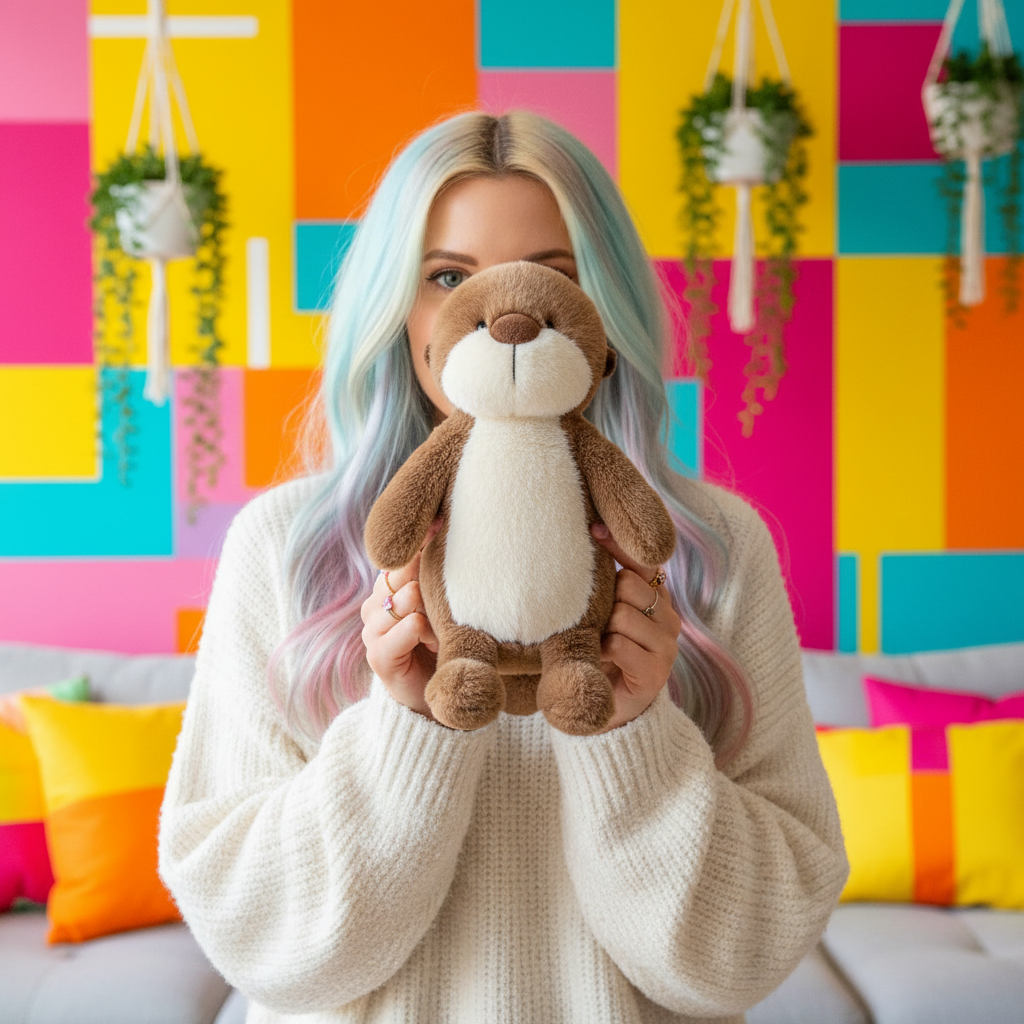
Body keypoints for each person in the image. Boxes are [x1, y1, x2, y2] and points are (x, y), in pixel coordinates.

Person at [158, 111, 848, 1024]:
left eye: (553, 279)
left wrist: (630, 734)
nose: (503, 319)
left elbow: (745, 955)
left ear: (603, 310)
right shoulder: (288, 548)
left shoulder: (711, 550)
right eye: (447, 276)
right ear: (396, 310)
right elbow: (261, 942)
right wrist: (406, 726)